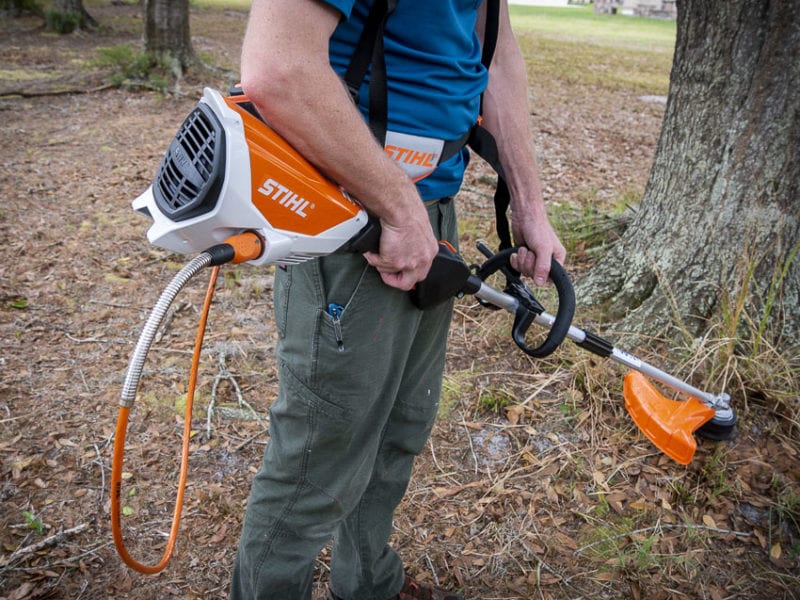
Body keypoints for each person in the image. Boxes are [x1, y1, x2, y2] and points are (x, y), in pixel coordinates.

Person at [230, 1, 566, 599]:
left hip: (427, 210)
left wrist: (529, 205)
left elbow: (497, 51)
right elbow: (278, 66)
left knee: (400, 427)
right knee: (320, 454)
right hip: (354, 216)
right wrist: (396, 206)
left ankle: (367, 585)